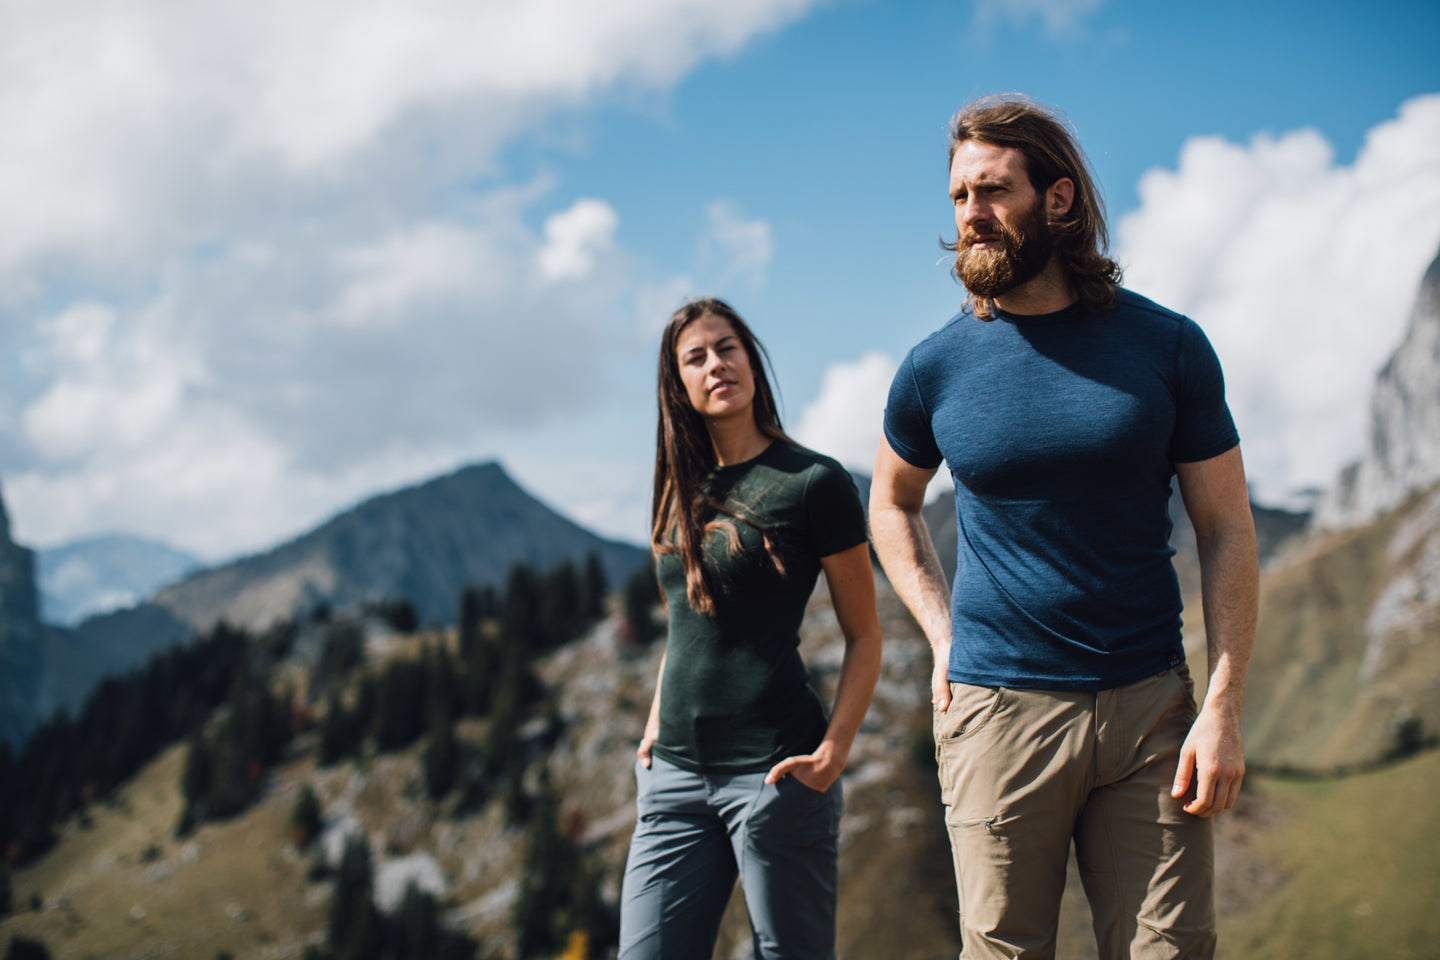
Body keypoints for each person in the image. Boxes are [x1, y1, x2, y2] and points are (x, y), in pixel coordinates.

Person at [869, 95, 1258, 960]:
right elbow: (889, 505)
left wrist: (1223, 705)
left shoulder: (1170, 347)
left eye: (993, 191)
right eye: (959, 197)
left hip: (1150, 714)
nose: (971, 215)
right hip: (997, 712)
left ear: (1059, 199)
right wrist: (942, 635)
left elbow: (1227, 526)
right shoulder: (934, 367)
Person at [619, 298, 883, 960]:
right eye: (696, 357)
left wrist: (831, 756)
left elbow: (865, 635)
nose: (716, 364)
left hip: (774, 775)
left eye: (727, 347)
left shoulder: (813, 482)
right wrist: (653, 730)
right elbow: (686, 627)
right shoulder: (676, 485)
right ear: (677, 383)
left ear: (752, 359)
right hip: (673, 780)